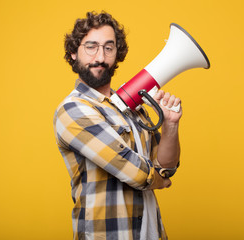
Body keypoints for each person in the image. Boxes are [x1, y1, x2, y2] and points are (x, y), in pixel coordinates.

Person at [53, 11, 182, 240]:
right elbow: (135, 172)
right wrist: (159, 180)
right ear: (73, 53)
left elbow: (166, 166)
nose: (100, 57)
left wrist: (170, 125)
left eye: (108, 47)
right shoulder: (72, 110)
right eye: (91, 47)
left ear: (117, 54)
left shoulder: (133, 106)